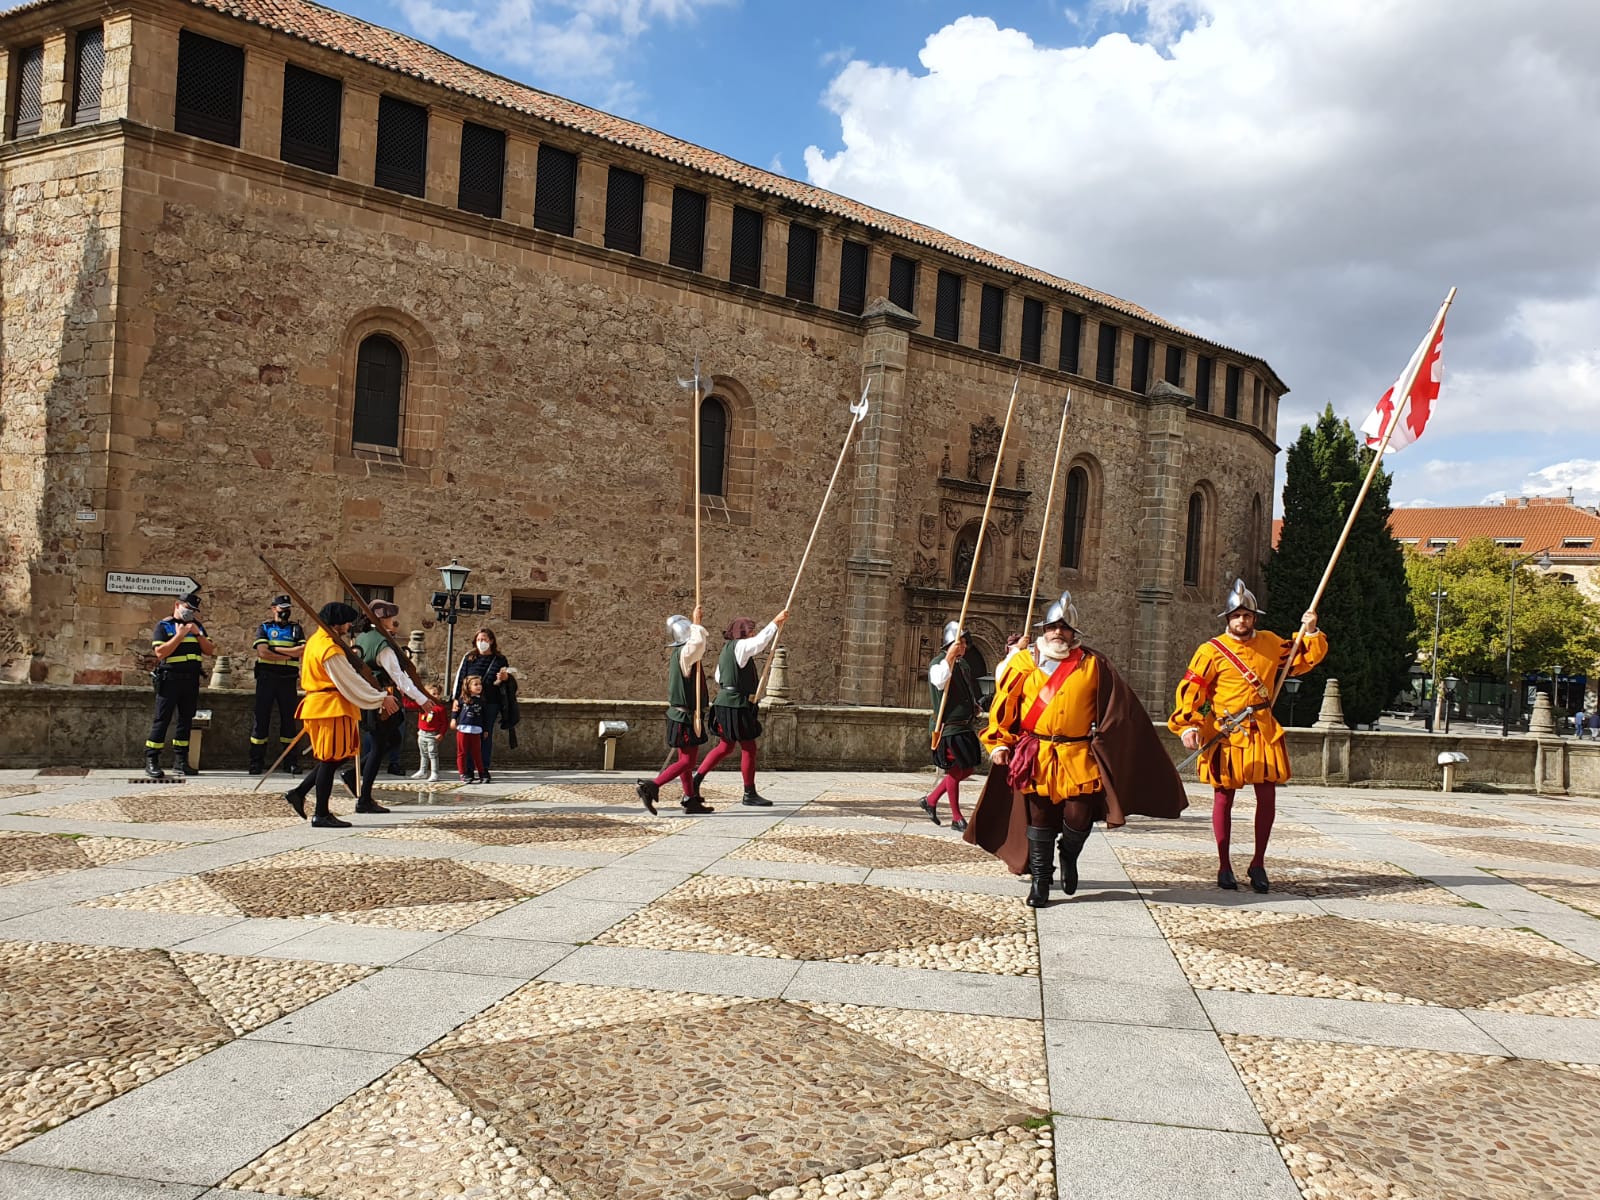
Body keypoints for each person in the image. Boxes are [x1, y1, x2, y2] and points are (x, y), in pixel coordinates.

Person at [973, 591, 1187, 907]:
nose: (1058, 632)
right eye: (1053, 626)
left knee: (1078, 816)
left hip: (1077, 754)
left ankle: (1069, 854)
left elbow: (1119, 709)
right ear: (1043, 629)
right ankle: (1040, 883)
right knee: (1040, 818)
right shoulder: (1022, 662)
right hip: (1038, 753)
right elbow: (1005, 707)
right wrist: (999, 742)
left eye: (1065, 627)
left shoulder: (1093, 664)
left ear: (1074, 633)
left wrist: (1110, 743)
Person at [1168, 578, 1328, 894]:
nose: (1242, 620)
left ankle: (1258, 863)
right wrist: (1188, 725)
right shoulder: (1210, 651)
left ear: (1255, 618)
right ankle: (1224, 865)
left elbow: (1301, 659)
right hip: (1226, 731)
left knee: (1267, 797)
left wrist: (1310, 630)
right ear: (1228, 618)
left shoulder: (1271, 642)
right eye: (1237, 615)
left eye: (1248, 615)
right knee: (1223, 798)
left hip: (1263, 730)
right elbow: (1191, 690)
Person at [283, 602, 397, 828]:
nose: (348, 626)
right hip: (330, 706)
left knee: (337, 756)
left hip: (327, 705)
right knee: (330, 760)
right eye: (346, 622)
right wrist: (380, 697)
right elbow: (348, 680)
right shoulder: (328, 647)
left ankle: (300, 791)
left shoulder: (317, 641)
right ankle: (321, 813)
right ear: (336, 623)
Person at [347, 600, 443, 807]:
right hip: (382, 698)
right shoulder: (382, 643)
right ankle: (364, 798)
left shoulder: (363, 637)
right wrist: (422, 699)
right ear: (381, 619)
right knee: (381, 743)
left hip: (370, 697)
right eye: (389, 617)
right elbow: (399, 677)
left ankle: (352, 776)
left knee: (392, 740)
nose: (393, 621)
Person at [691, 609, 789, 807]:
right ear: (744, 632)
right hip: (735, 705)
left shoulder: (726, 650)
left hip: (724, 703)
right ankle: (749, 793)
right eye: (751, 630)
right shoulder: (741, 646)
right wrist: (775, 622)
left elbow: (720, 678)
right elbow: (760, 643)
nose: (753, 633)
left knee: (725, 746)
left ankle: (696, 781)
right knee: (749, 748)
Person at [636, 606, 714, 815]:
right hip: (684, 716)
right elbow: (698, 643)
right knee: (687, 761)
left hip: (682, 715)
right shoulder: (685, 654)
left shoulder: (681, 654)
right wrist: (697, 623)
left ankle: (690, 799)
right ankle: (651, 786)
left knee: (684, 760)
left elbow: (697, 644)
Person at [143, 591, 216, 779]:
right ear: (177, 605)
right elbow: (160, 653)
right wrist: (179, 636)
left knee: (186, 720)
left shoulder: (197, 626)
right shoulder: (164, 626)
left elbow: (209, 650)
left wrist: (197, 634)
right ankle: (152, 760)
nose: (190, 612)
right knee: (162, 720)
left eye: (193, 610)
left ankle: (180, 761)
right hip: (170, 679)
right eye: (187, 608)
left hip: (190, 680)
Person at [920, 620, 983, 831]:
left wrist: (973, 703)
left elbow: (965, 688)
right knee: (956, 771)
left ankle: (931, 800)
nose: (964, 647)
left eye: (965, 643)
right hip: (948, 727)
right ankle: (957, 818)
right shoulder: (938, 663)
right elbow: (940, 681)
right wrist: (949, 656)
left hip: (964, 725)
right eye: (960, 643)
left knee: (969, 768)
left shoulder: (963, 665)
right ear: (951, 643)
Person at [248, 594, 305, 776]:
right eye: (281, 609)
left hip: (288, 680)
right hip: (267, 678)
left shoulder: (296, 629)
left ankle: (290, 762)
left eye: (287, 609)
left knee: (289, 722)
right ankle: (256, 762)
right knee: (261, 720)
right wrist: (289, 654)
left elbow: (302, 650)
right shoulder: (264, 627)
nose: (284, 612)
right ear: (274, 609)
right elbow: (263, 652)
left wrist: (276, 650)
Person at [452, 628, 512, 776]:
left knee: (485, 735)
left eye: (484, 639)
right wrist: (456, 699)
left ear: (491, 641)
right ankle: (468, 769)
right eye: (479, 640)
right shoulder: (469, 657)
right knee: (467, 736)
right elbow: (461, 678)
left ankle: (483, 768)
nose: (481, 642)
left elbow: (502, 683)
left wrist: (503, 678)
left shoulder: (500, 660)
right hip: (469, 703)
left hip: (490, 703)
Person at [453, 674, 488, 783]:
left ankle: (482, 773)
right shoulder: (462, 699)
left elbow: (484, 716)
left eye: (480, 684)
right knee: (462, 752)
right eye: (475, 684)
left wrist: (485, 729)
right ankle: (463, 773)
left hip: (476, 730)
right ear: (468, 687)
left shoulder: (481, 701)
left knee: (477, 753)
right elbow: (455, 711)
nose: (479, 686)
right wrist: (453, 719)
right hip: (463, 729)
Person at [412, 695, 448, 781]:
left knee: (433, 754)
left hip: (432, 735)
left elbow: (444, 723)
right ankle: (423, 771)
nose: (432, 697)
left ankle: (434, 772)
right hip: (421, 733)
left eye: (435, 694)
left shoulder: (440, 708)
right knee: (423, 754)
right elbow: (410, 704)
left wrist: (441, 733)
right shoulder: (422, 706)